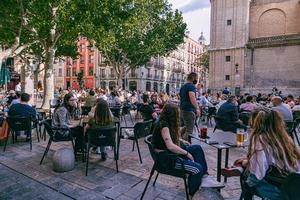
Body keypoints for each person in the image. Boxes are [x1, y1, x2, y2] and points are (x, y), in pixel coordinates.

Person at [222, 108, 300, 200]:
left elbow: (259, 167)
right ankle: (240, 166)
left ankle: (240, 168)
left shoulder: (260, 138)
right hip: (293, 185)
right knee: (247, 161)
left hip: (277, 189)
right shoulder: (284, 137)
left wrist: (248, 175)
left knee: (247, 178)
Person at [152, 104, 223, 198]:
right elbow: (170, 146)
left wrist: (182, 140)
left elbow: (169, 140)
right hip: (167, 159)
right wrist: (186, 153)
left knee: (197, 148)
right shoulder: (164, 126)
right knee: (197, 169)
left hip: (171, 154)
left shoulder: (165, 123)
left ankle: (204, 177)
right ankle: (192, 193)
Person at [179, 72, 200, 140]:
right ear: (193, 78)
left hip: (182, 109)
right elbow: (192, 97)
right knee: (189, 131)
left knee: (187, 127)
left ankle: (178, 138)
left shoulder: (183, 86)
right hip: (188, 110)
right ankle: (185, 146)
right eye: (196, 79)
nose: (196, 80)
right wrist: (197, 108)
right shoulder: (191, 86)